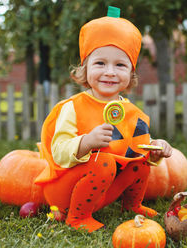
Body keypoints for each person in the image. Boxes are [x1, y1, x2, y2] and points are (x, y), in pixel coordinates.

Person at [34, 6, 172, 232]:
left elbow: (137, 150)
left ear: (130, 75)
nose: (110, 71)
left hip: (102, 191)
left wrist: (155, 150)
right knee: (104, 160)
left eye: (120, 65)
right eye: (100, 63)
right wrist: (87, 141)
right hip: (65, 192)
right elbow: (58, 153)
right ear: (85, 69)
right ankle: (77, 218)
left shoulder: (131, 112)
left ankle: (131, 205)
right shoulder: (73, 107)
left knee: (138, 161)